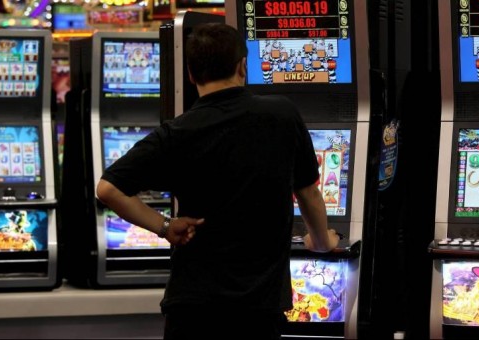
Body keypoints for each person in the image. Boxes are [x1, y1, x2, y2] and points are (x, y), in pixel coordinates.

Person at [96, 22, 340, 339]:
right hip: (257, 308)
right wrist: (321, 242)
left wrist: (165, 226)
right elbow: (308, 193)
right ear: (243, 66)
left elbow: (108, 189)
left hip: (192, 307)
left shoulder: (177, 132)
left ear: (191, 74)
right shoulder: (282, 115)